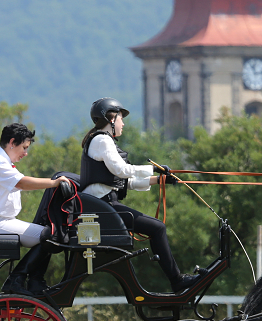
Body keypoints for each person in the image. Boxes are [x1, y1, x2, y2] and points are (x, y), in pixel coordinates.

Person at [80, 97, 197, 293]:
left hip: (105, 206)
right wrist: (153, 169)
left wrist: (160, 180)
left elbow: (125, 181)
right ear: (111, 119)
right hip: (104, 208)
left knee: (157, 228)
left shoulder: (101, 141)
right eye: (120, 118)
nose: (123, 123)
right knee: (157, 228)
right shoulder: (102, 140)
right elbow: (122, 170)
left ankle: (176, 279)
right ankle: (177, 281)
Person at [0, 123, 69, 295]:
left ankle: (34, 281)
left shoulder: (3, 162)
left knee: (51, 235)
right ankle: (17, 279)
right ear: (12, 142)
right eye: (24, 147)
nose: (25, 153)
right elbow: (21, 183)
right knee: (52, 237)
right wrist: (54, 183)